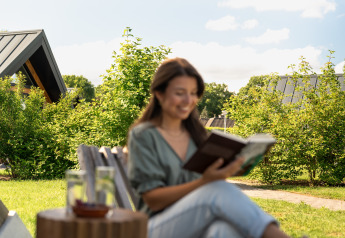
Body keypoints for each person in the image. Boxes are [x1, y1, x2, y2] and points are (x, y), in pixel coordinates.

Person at [127, 57, 291, 238]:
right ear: (159, 93)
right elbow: (153, 200)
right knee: (217, 189)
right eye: (180, 93)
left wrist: (230, 168)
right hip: (155, 228)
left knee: (222, 230)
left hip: (195, 223)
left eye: (194, 93)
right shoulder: (144, 135)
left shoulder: (197, 135)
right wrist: (205, 181)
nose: (189, 100)